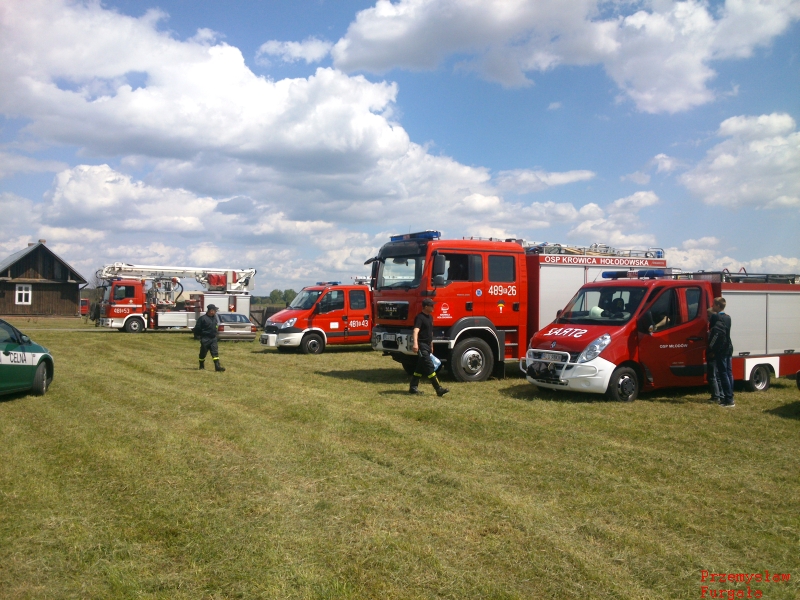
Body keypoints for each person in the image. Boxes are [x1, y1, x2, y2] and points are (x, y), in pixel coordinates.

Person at [410, 298, 449, 396]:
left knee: (419, 368)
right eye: (431, 305)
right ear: (426, 307)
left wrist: (431, 345)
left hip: (427, 345)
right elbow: (415, 331)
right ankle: (438, 389)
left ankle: (413, 387)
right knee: (429, 367)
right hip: (421, 345)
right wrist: (415, 344)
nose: (433, 307)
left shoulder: (430, 317)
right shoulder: (419, 317)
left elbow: (430, 332)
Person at [708, 297, 734, 407]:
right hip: (728, 347)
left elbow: (714, 333)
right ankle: (730, 396)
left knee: (722, 373)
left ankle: (728, 399)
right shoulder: (728, 317)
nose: (712, 306)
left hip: (721, 349)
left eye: (714, 304)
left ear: (718, 306)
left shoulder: (716, 317)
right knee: (728, 373)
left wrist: (711, 349)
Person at [193, 304, 225, 372]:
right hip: (205, 338)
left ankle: (217, 367)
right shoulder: (202, 318)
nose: (216, 312)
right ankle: (201, 365)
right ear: (211, 311)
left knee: (215, 353)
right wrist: (198, 336)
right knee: (203, 353)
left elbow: (215, 326)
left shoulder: (214, 318)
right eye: (215, 310)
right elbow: (197, 329)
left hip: (213, 338)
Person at [706, 306, 724, 404]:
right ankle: (720, 394)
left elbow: (713, 342)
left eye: (709, 316)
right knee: (717, 375)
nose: (708, 319)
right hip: (717, 354)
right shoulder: (719, 327)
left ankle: (716, 396)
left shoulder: (715, 329)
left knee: (713, 376)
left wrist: (711, 351)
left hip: (713, 354)